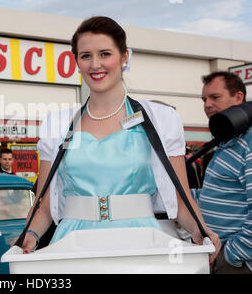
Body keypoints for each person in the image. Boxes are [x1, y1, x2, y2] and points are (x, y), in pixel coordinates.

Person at [16, 16, 221, 263]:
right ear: (76, 62)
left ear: (124, 56)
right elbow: (44, 204)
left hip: (143, 244)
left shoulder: (160, 119)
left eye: (104, 54)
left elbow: (180, 196)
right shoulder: (57, 124)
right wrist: (29, 236)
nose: (95, 65)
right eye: (85, 56)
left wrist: (200, 230)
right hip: (72, 247)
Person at [194, 71, 251, 273]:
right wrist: (181, 195)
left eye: (215, 97)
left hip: (234, 262)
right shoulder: (227, 143)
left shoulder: (249, 143)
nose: (207, 104)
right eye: (204, 99)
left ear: (238, 97)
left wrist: (232, 256)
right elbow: (217, 194)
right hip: (214, 252)